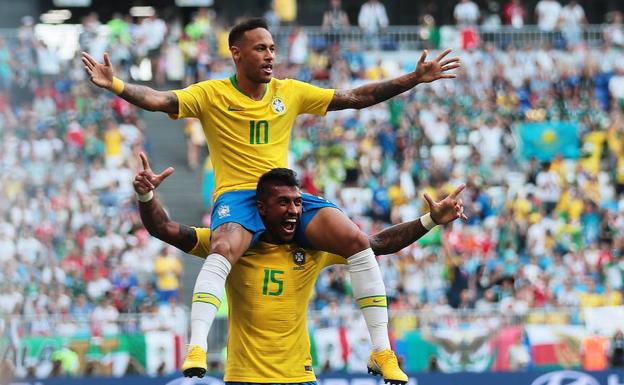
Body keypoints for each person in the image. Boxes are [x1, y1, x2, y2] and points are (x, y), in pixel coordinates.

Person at [82, 18, 460, 382]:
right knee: (222, 247)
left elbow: (354, 97)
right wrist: (114, 83)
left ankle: (381, 351)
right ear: (236, 53)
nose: (269, 56)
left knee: (358, 242)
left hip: (283, 194)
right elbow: (159, 99)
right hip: (239, 197)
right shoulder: (212, 94)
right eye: (260, 48)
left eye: (273, 49)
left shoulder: (289, 92)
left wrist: (414, 78)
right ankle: (196, 347)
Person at [133, 152, 467, 383]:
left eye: (297, 202)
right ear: (261, 209)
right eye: (283, 203)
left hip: (301, 375)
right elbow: (165, 228)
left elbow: (376, 244)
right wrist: (147, 198)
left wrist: (430, 220)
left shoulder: (314, 249)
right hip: (243, 376)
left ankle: (382, 350)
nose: (294, 210)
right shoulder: (231, 245)